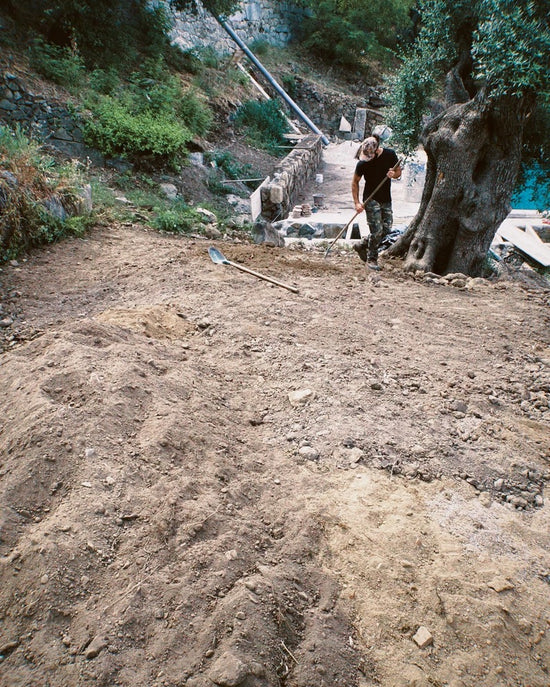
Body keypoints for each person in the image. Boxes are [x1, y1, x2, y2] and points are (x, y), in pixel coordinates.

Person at [351, 134, 401, 270]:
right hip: (370, 199)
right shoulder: (362, 163)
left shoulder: (390, 155)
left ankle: (362, 244)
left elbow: (398, 172)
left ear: (377, 149)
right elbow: (355, 182)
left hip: (386, 198)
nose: (367, 158)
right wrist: (357, 203)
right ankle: (372, 259)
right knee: (377, 230)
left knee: (386, 230)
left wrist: (393, 174)